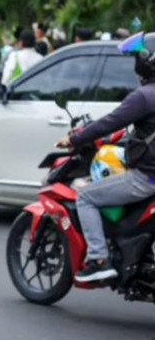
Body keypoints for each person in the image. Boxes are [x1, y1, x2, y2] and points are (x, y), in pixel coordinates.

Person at [56, 31, 155, 283]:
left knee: (86, 196)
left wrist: (75, 138)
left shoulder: (143, 97)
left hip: (147, 178)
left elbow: (109, 122)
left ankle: (99, 259)